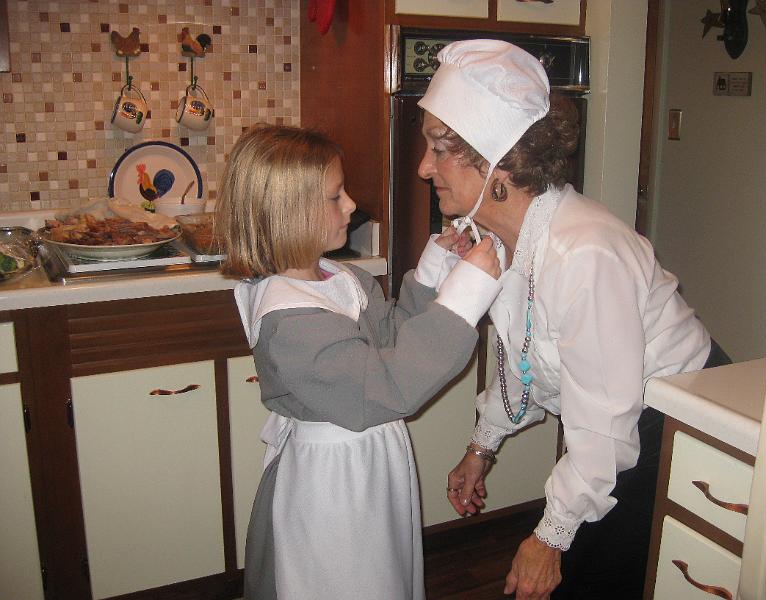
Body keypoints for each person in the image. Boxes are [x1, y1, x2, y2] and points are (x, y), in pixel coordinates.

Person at [414, 40, 731, 599]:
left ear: (498, 160)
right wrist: (482, 445)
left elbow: (607, 424)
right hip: (615, 425)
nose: (424, 167)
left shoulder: (582, 253)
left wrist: (550, 535)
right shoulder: (505, 238)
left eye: (441, 149)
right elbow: (528, 354)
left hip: (674, 428)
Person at [215, 123, 502, 600]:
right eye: (334, 196)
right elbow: (385, 387)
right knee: (343, 578)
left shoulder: (337, 277)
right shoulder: (288, 318)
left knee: (380, 573)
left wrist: (436, 271)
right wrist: (463, 298)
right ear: (286, 213)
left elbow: (388, 338)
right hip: (332, 479)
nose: (350, 204)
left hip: (367, 460)